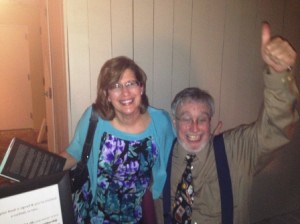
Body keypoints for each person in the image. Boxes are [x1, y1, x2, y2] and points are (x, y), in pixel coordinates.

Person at [154, 23, 299, 223]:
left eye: (202, 118)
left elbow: (276, 127)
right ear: (174, 121)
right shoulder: (159, 156)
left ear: (211, 122)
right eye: (186, 118)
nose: (194, 127)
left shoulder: (236, 151)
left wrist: (278, 75)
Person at [60, 56, 175, 223]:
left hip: (134, 217)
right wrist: (38, 171)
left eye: (131, 84)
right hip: (90, 216)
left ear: (141, 88)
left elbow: (176, 156)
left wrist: (211, 143)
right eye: (115, 86)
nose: (125, 92)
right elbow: (73, 153)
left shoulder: (160, 122)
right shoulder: (94, 118)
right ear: (107, 94)